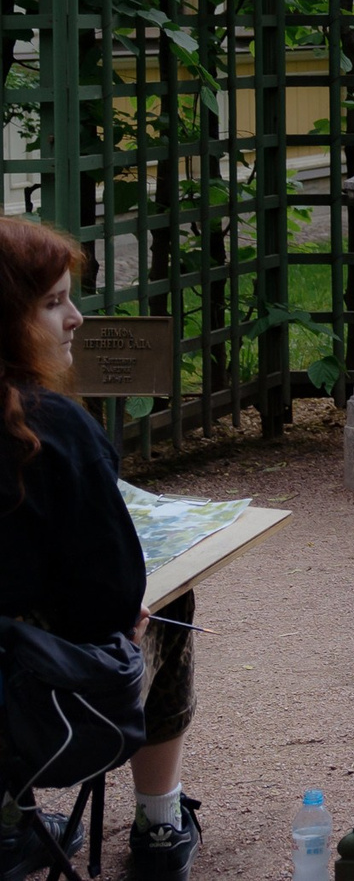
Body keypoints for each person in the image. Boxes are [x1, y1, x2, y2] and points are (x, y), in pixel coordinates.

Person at [0, 218, 202, 881]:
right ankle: (161, 823)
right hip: (42, 710)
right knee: (171, 602)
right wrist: (127, 613)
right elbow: (109, 597)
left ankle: (9, 824)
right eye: (53, 301)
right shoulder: (50, 427)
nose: (76, 318)